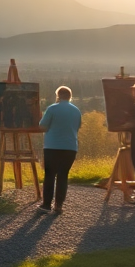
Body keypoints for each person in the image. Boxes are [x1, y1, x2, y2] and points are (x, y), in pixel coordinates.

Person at [37, 86, 81, 214]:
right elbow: (77, 127)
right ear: (70, 96)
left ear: (58, 95)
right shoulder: (76, 111)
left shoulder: (52, 108)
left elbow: (43, 127)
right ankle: (59, 205)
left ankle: (46, 205)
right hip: (70, 147)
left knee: (50, 175)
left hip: (52, 146)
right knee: (63, 176)